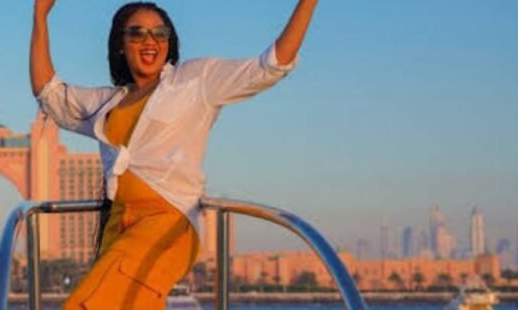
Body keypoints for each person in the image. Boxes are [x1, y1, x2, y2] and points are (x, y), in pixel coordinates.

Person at [31, 1, 318, 309]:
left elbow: (272, 64)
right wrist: (40, 16)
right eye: (137, 33)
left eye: (159, 33)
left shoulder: (195, 81)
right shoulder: (109, 101)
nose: (149, 41)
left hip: (168, 223)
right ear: (120, 44)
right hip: (119, 226)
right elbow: (49, 94)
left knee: (89, 303)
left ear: (169, 43)